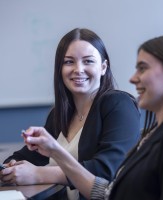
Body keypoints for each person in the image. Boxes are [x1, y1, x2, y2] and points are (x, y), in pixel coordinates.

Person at [19, 34, 163, 200]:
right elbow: (107, 194)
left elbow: (108, 178)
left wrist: (43, 169)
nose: (132, 78)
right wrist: (54, 150)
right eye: (69, 62)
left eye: (142, 68)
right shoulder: (153, 133)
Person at [0, 28, 141, 200]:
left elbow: (108, 170)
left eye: (88, 61)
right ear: (60, 69)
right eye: (69, 62)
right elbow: (24, 157)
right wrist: (10, 168)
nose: (78, 69)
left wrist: (39, 174)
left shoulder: (118, 104)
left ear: (103, 67)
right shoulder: (59, 114)